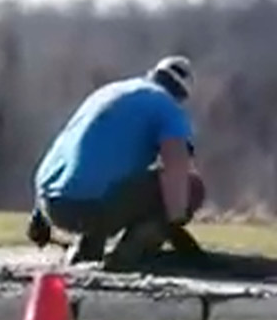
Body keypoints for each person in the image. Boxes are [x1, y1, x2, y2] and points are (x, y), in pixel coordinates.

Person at [27, 55, 205, 270]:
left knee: (111, 180)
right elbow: (177, 164)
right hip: (89, 207)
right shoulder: (167, 108)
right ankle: (125, 257)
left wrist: (39, 214)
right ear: (182, 94)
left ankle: (87, 251)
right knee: (192, 187)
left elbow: (66, 147)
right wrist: (173, 222)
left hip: (51, 203)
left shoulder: (108, 93)